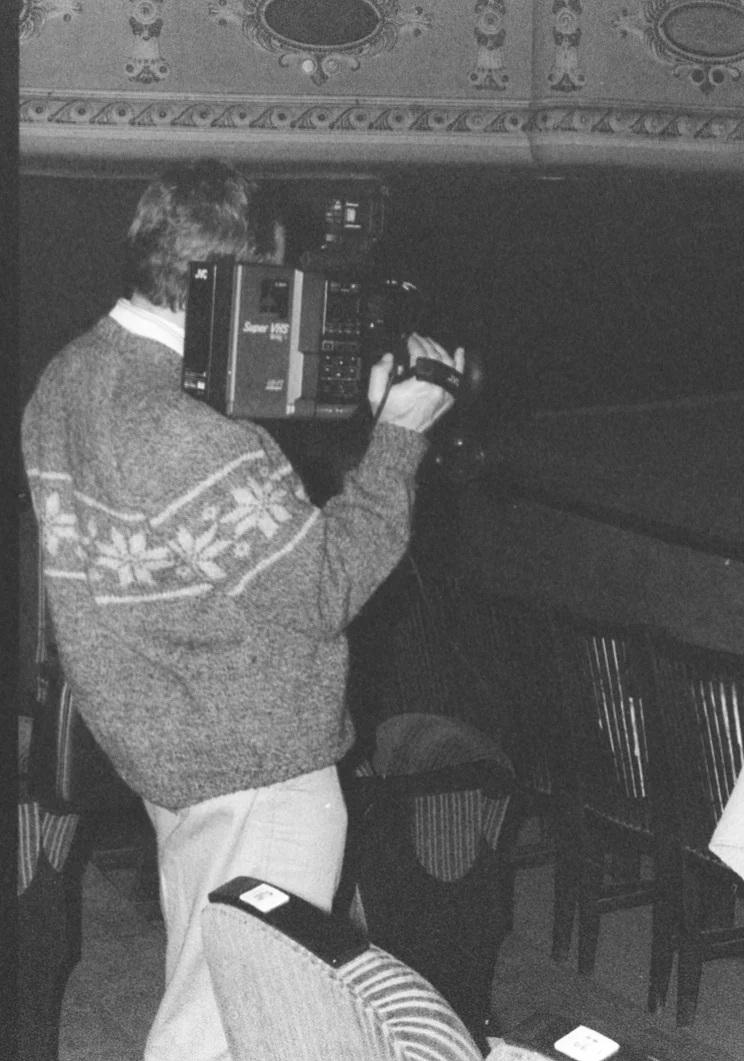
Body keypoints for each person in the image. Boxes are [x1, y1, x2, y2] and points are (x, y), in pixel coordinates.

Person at [21, 159, 462, 1061]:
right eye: (275, 281)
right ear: (227, 283)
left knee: (210, 985)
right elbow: (322, 586)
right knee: (235, 1022)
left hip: (173, 744)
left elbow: (202, 530)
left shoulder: (71, 374)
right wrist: (400, 436)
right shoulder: (183, 429)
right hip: (257, 764)